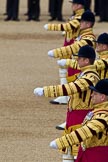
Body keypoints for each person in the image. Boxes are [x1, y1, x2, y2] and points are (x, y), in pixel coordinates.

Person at [34, 45, 100, 162]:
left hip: (82, 118)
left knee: (77, 155)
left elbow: (71, 88)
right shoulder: (84, 73)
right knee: (67, 155)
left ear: (86, 60)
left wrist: (46, 91)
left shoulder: (90, 76)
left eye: (79, 58)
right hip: (73, 117)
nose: (77, 60)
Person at [50, 78, 108, 162]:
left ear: (102, 97)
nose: (91, 95)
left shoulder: (103, 115)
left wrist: (60, 142)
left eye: (95, 94)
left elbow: (85, 132)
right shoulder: (98, 111)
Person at [47, 10, 96, 105]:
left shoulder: (88, 37)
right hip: (79, 62)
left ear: (88, 23)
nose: (80, 23)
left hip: (81, 64)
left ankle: (66, 98)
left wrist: (56, 52)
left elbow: (74, 47)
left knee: (77, 88)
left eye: (82, 22)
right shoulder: (83, 35)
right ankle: (65, 98)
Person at [44, 0, 85, 105]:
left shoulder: (81, 16)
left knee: (71, 70)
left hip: (73, 47)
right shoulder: (77, 16)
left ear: (79, 5)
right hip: (70, 44)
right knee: (64, 69)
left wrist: (51, 27)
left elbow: (69, 26)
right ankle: (65, 95)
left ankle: (68, 95)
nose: (72, 6)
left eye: (74, 4)